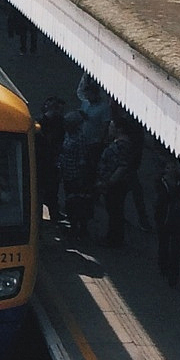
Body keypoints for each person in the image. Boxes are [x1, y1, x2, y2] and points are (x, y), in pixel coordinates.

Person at [97, 119, 138, 248]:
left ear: (119, 129)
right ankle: (112, 236)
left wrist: (109, 182)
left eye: (111, 126)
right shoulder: (118, 143)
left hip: (116, 185)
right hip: (113, 183)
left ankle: (115, 239)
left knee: (115, 210)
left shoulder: (122, 145)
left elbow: (122, 166)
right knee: (113, 210)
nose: (109, 129)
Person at [154, 161, 180, 289]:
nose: (170, 170)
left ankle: (172, 276)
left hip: (177, 222)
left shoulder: (179, 186)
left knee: (175, 250)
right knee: (165, 245)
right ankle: (164, 268)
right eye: (168, 167)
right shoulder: (163, 184)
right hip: (165, 220)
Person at [58, 113, 98, 237]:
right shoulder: (67, 135)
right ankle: (73, 224)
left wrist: (82, 176)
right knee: (70, 199)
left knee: (79, 200)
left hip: (76, 174)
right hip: (67, 173)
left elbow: (82, 158)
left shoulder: (80, 138)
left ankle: (81, 227)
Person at [35, 96, 67, 227]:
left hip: (50, 159)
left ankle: (52, 212)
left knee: (50, 189)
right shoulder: (45, 122)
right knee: (46, 189)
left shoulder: (54, 121)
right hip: (45, 159)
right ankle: (50, 212)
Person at [76, 75, 112, 151]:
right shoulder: (85, 103)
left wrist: (100, 141)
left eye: (89, 95)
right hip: (83, 138)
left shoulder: (104, 107)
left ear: (96, 94)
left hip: (95, 141)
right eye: (86, 95)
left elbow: (105, 125)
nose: (88, 97)